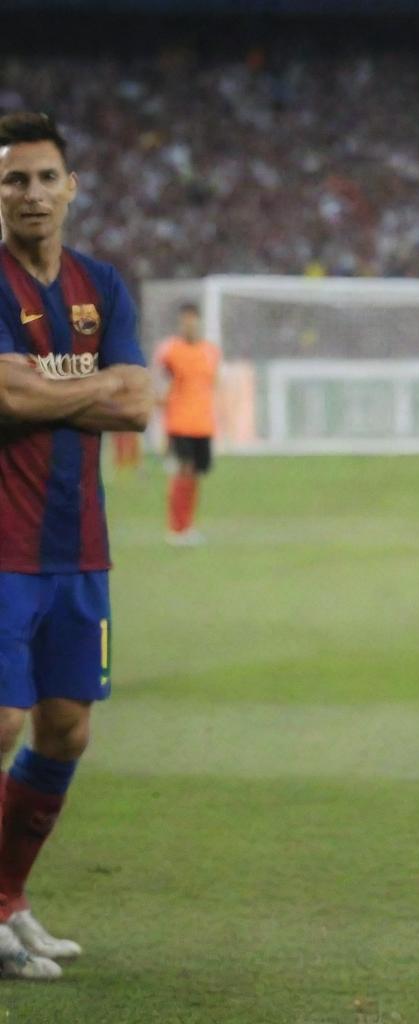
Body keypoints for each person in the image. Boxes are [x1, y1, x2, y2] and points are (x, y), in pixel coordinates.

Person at [0, 112, 151, 980]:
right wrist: (86, 386)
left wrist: (34, 385)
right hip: (3, 549)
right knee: (4, 717)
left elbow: (135, 406)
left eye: (44, 177)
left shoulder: (104, 284)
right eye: (14, 180)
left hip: (80, 548)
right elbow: (13, 404)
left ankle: (8, 899)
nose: (31, 194)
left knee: (63, 730)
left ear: (71, 187)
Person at [155, 302, 219, 545]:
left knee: (195, 475)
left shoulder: (210, 351)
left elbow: (212, 383)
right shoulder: (170, 351)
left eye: (193, 320)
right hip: (179, 421)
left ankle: (187, 526)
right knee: (183, 470)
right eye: (185, 321)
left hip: (202, 423)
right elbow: (160, 382)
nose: (190, 325)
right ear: (180, 323)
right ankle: (176, 528)